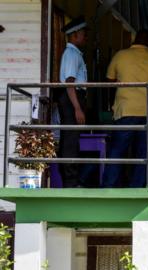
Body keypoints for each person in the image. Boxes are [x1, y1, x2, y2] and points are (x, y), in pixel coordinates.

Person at [102, 29, 148, 188]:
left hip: (125, 110)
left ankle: (109, 185)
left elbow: (109, 81)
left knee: (118, 150)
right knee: (144, 153)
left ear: (134, 40)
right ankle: (138, 187)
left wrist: (113, 102)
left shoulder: (120, 56)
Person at [58, 16, 89, 188]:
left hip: (74, 97)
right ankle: (70, 182)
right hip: (72, 98)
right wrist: (77, 108)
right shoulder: (71, 54)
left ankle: (71, 180)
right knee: (70, 140)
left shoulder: (75, 53)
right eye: (83, 33)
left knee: (72, 139)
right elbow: (70, 82)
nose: (85, 37)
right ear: (75, 34)